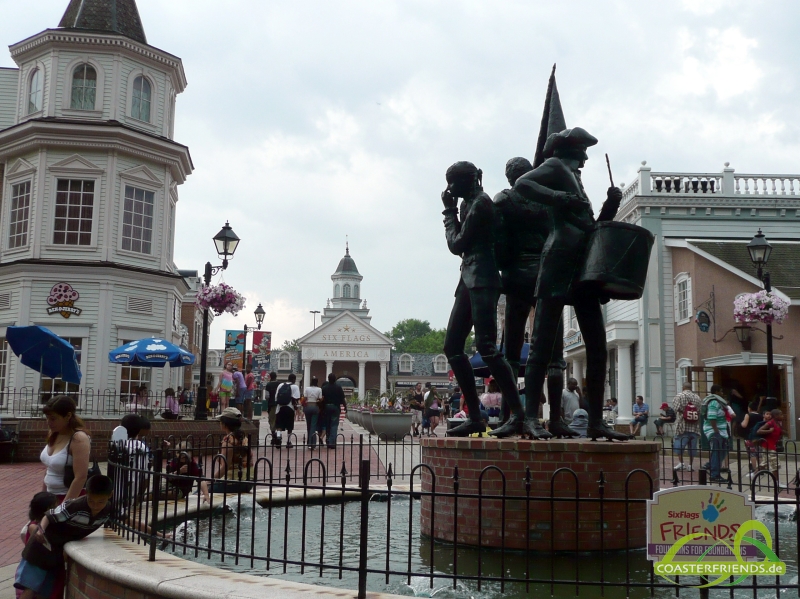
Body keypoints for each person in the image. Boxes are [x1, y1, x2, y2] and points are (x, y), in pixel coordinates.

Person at [512, 127, 628, 441]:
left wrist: (611, 205)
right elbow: (523, 184)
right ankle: (532, 419)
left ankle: (596, 421)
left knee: (597, 345)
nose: (586, 157)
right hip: (558, 259)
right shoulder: (555, 166)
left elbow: (592, 228)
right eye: (582, 150)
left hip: (582, 265)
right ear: (570, 150)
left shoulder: (575, 178)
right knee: (541, 344)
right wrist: (560, 198)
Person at [440, 161, 523, 438]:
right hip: (468, 277)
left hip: (484, 277)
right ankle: (475, 417)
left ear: (468, 180)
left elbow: (456, 244)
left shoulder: (481, 204)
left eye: (453, 181)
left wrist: (448, 212)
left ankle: (518, 414)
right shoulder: (469, 203)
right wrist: (455, 210)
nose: (449, 188)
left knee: (487, 347)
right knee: (452, 346)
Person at [492, 156, 557, 439]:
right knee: (547, 352)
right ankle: (544, 417)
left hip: (517, 275)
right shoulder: (545, 200)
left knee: (511, 354)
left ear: (509, 177)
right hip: (543, 273)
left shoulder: (504, 199)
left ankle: (510, 416)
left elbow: (495, 238)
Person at [15, 475, 113, 599]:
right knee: (30, 589)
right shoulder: (74, 506)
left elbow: (126, 519)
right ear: (86, 493)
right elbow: (49, 516)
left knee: (45, 592)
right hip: (40, 548)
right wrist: (40, 530)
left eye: (100, 502)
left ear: (110, 495)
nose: (95, 506)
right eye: (91, 501)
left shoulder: (108, 510)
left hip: (56, 554)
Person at [41, 395, 91, 503]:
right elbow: (49, 468)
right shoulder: (54, 433)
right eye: (47, 418)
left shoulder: (78, 439)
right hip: (50, 497)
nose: (49, 422)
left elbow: (80, 477)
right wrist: (43, 496)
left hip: (68, 498)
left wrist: (64, 507)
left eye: (53, 418)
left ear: (68, 416)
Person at [201, 407, 252, 503]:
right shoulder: (244, 438)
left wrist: (210, 481)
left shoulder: (228, 441)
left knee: (199, 492)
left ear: (224, 424)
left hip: (233, 482)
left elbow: (225, 467)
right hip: (248, 481)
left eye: (220, 421)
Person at [14, 492, 58, 599]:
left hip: (42, 565)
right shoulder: (34, 526)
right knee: (29, 591)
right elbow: (46, 540)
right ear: (46, 510)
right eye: (54, 507)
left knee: (40, 593)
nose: (57, 509)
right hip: (32, 565)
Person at [701, 384, 730, 483]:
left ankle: (711, 465)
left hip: (721, 431)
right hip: (714, 431)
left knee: (722, 451)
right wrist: (716, 430)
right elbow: (712, 417)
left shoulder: (719, 402)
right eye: (721, 391)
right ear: (717, 392)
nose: (722, 393)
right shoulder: (714, 402)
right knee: (717, 452)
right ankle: (714, 475)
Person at [671, 383, 701, 472]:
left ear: (683, 387)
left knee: (679, 445)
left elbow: (675, 409)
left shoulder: (679, 396)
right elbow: (699, 410)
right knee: (692, 447)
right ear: (691, 388)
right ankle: (690, 465)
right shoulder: (697, 397)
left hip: (682, 426)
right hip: (694, 426)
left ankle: (681, 463)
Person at [756, 409, 784, 486]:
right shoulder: (770, 423)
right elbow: (759, 431)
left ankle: (753, 476)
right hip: (768, 445)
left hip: (772, 445)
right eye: (781, 414)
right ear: (776, 416)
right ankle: (777, 483)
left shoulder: (778, 423)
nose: (782, 416)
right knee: (775, 464)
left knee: (764, 463)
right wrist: (770, 431)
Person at [273, 374, 300, 448]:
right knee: (289, 426)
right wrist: (296, 407)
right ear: (294, 379)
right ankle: (288, 441)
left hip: (280, 408)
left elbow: (276, 397)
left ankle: (278, 438)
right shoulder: (295, 387)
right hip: (289, 408)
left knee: (279, 425)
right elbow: (296, 398)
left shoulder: (280, 385)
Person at [321, 373, 346, 448]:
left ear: (328, 379)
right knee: (334, 425)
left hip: (327, 407)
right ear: (335, 379)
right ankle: (332, 442)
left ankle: (328, 440)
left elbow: (322, 399)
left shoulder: (324, 388)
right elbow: (342, 399)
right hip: (335, 408)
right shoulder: (338, 387)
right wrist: (345, 407)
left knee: (328, 424)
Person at [740, 400, 764, 477]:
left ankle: (754, 469)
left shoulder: (748, 415)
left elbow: (744, 425)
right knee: (759, 453)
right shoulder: (761, 416)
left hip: (749, 436)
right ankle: (761, 469)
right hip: (758, 436)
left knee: (752, 453)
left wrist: (741, 423)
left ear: (749, 408)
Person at [303, 376, 323, 448]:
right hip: (315, 406)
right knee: (313, 425)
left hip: (308, 406)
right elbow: (320, 399)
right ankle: (312, 443)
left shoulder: (307, 389)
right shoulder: (319, 389)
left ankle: (309, 442)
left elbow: (305, 398)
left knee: (308, 425)